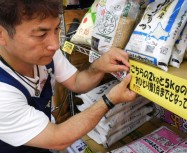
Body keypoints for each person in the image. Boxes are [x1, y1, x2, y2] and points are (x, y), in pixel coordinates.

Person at [0, 0, 137, 152]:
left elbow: (77, 82)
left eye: (56, 28)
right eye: (41, 34)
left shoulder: (46, 54)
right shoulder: (3, 92)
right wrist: (109, 100)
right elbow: (57, 139)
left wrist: (99, 66)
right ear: (2, 34)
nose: (55, 44)